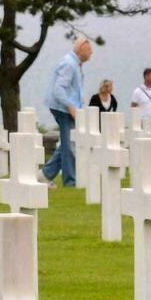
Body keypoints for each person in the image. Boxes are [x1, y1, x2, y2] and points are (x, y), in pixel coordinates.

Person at [42, 37, 91, 187]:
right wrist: (70, 107)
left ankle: (45, 174)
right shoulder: (69, 64)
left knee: (67, 144)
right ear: (81, 48)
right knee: (69, 145)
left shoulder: (74, 63)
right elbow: (59, 89)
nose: (91, 53)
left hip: (68, 109)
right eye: (89, 50)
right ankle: (70, 181)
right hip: (64, 109)